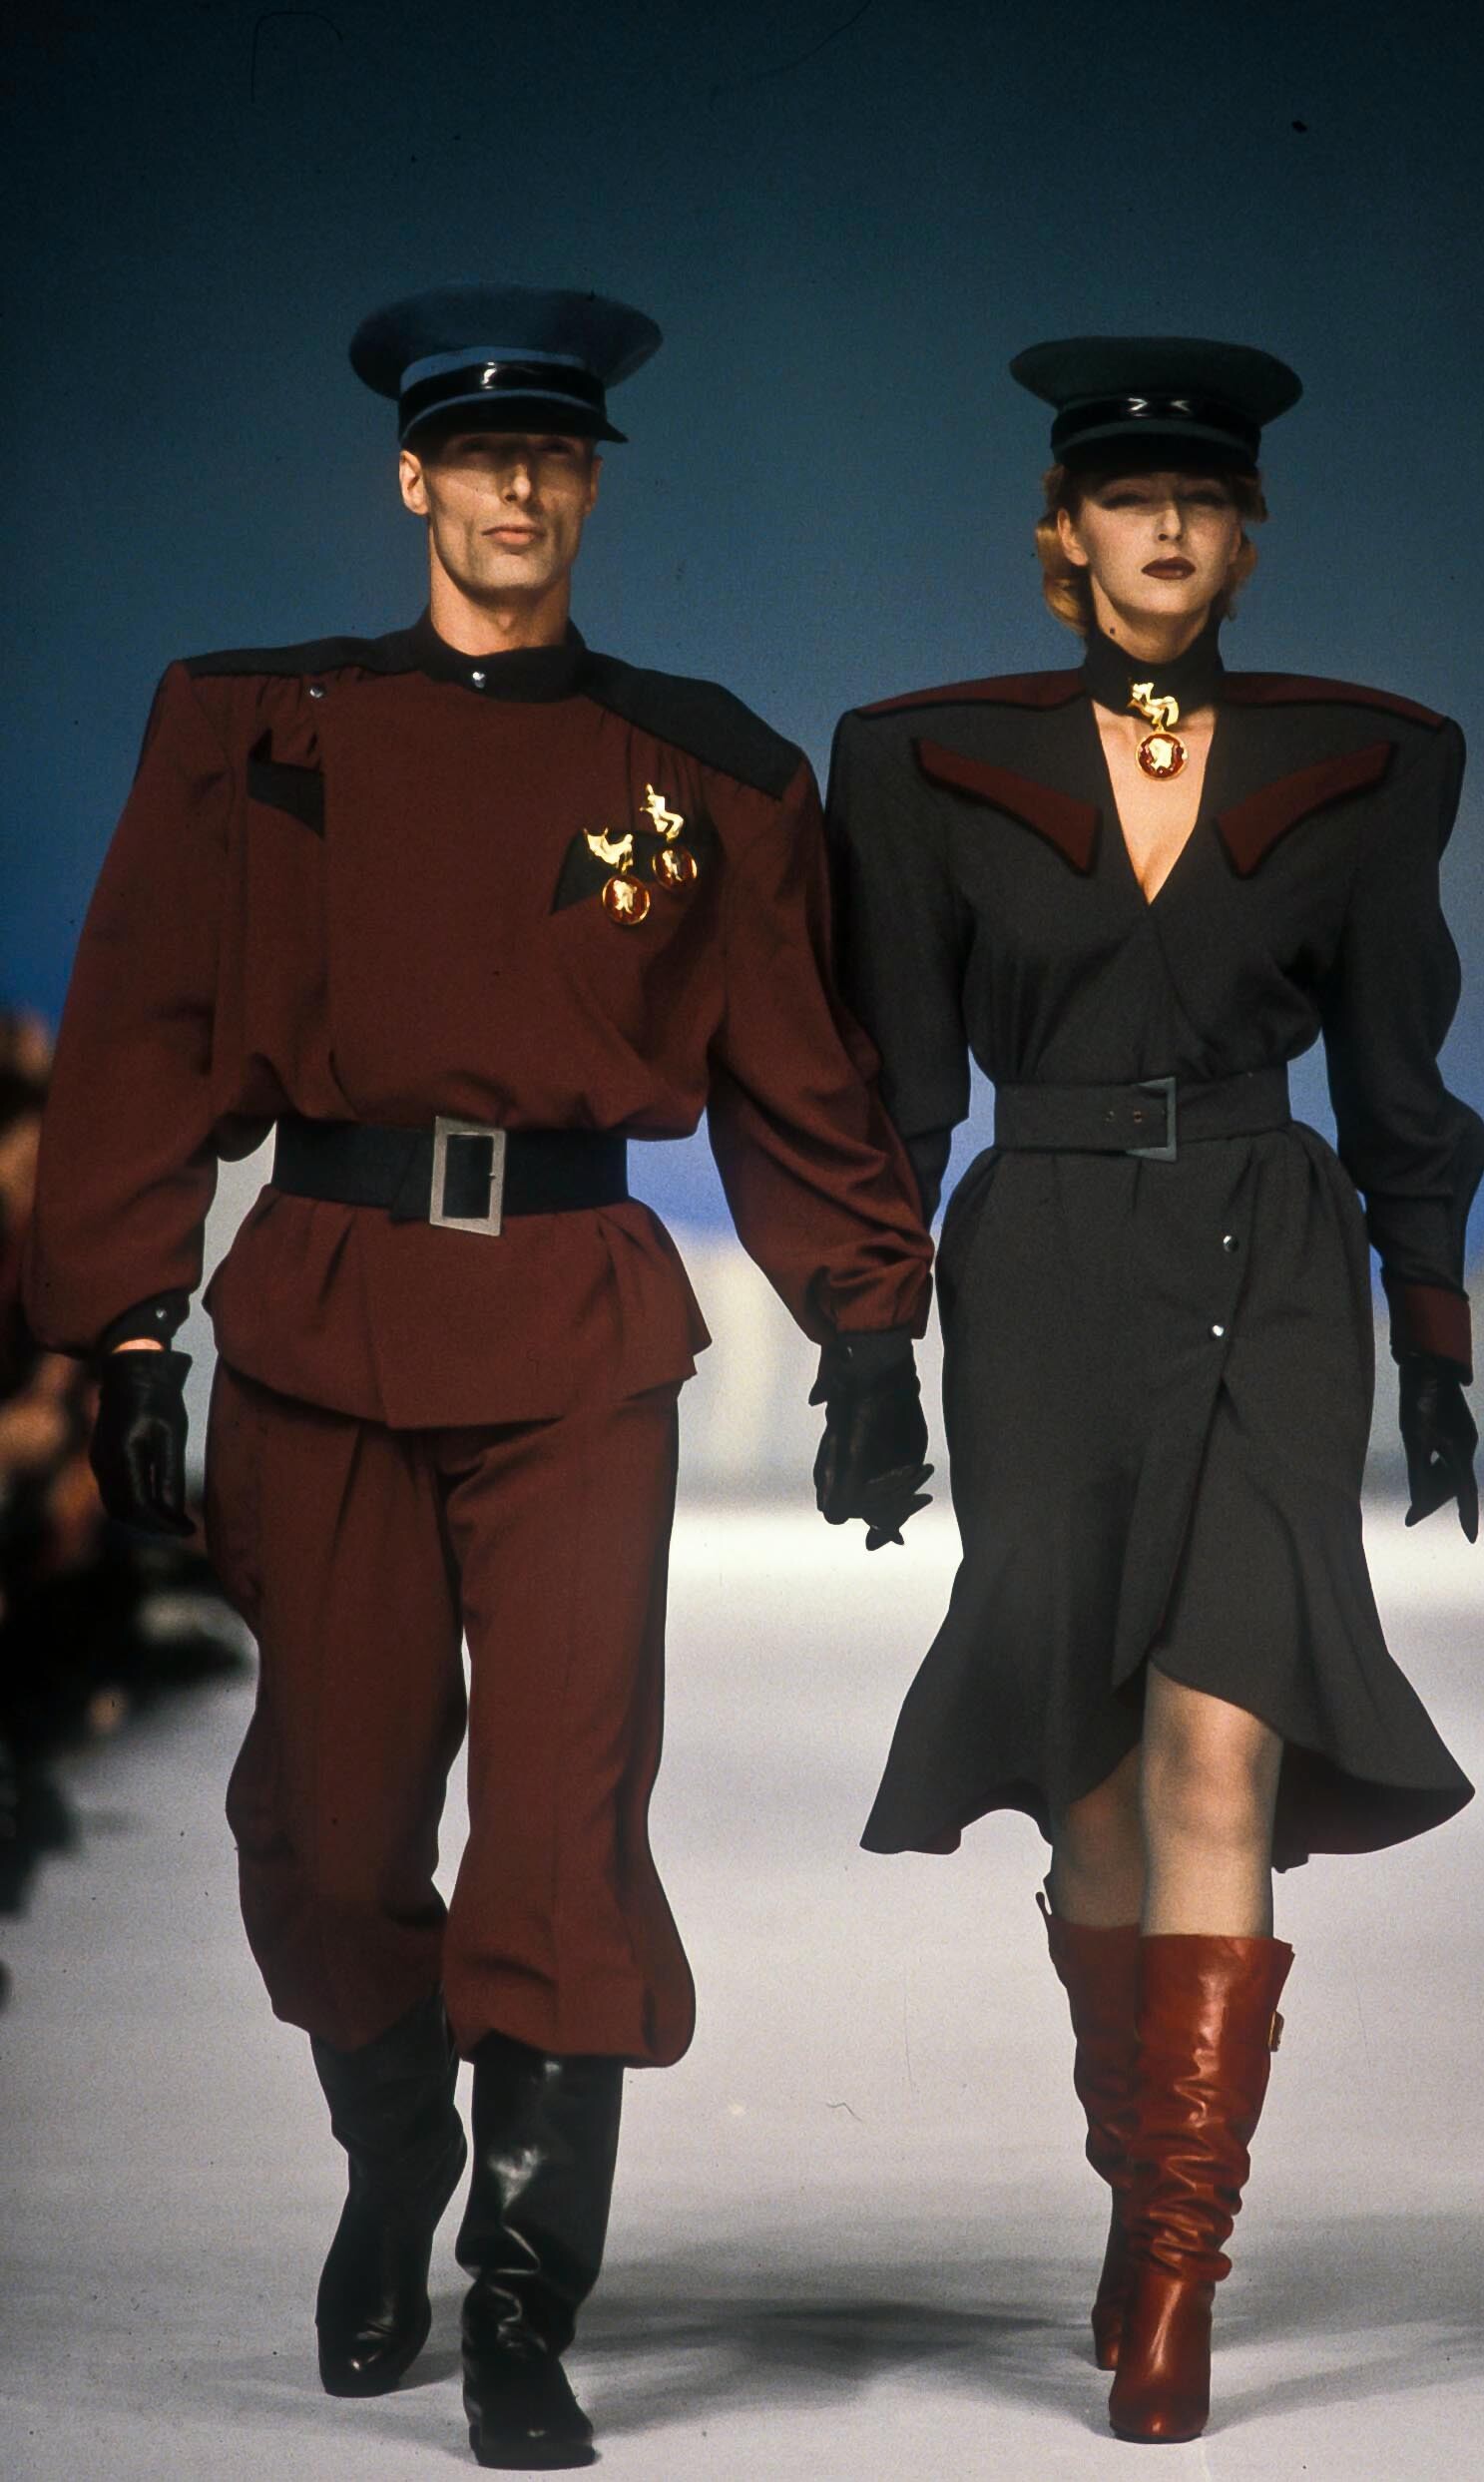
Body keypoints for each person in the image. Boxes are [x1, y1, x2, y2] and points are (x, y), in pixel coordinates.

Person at [25, 284, 931, 2472]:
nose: (523, 486)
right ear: (412, 478)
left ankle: (526, 2298)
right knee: (329, 1840)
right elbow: (145, 1019)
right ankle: (397, 2154)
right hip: (324, 1312)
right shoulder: (256, 726)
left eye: (560, 457)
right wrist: (127, 1321)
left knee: (560, 1817)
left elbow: (791, 1069)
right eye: (485, 454)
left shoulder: (706, 768)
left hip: (571, 1318)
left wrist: (868, 1324)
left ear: (588, 489)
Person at [825, 335, 1484, 2445]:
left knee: (1217, 1748)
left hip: (1271, 1258)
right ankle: (1137, 2195)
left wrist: (1435, 1327)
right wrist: (865, 1340)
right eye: (1129, 495)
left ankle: (1181, 2262)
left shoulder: (1367, 760)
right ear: (1067, 532)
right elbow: (897, 1084)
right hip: (1036, 1272)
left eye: (1203, 496)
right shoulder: (919, 761)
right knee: (1095, 1777)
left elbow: (1394, 1067)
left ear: (1244, 534)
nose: (1170, 523)